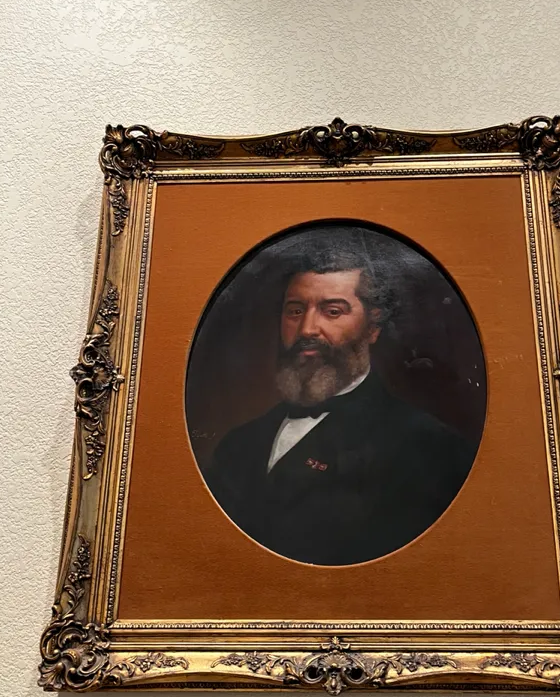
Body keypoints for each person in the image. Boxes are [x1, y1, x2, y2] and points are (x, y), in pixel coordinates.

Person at [203, 240, 476, 565]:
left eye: (332, 311)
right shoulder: (237, 444)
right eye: (295, 310)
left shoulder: (430, 449)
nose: (307, 329)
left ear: (373, 327)